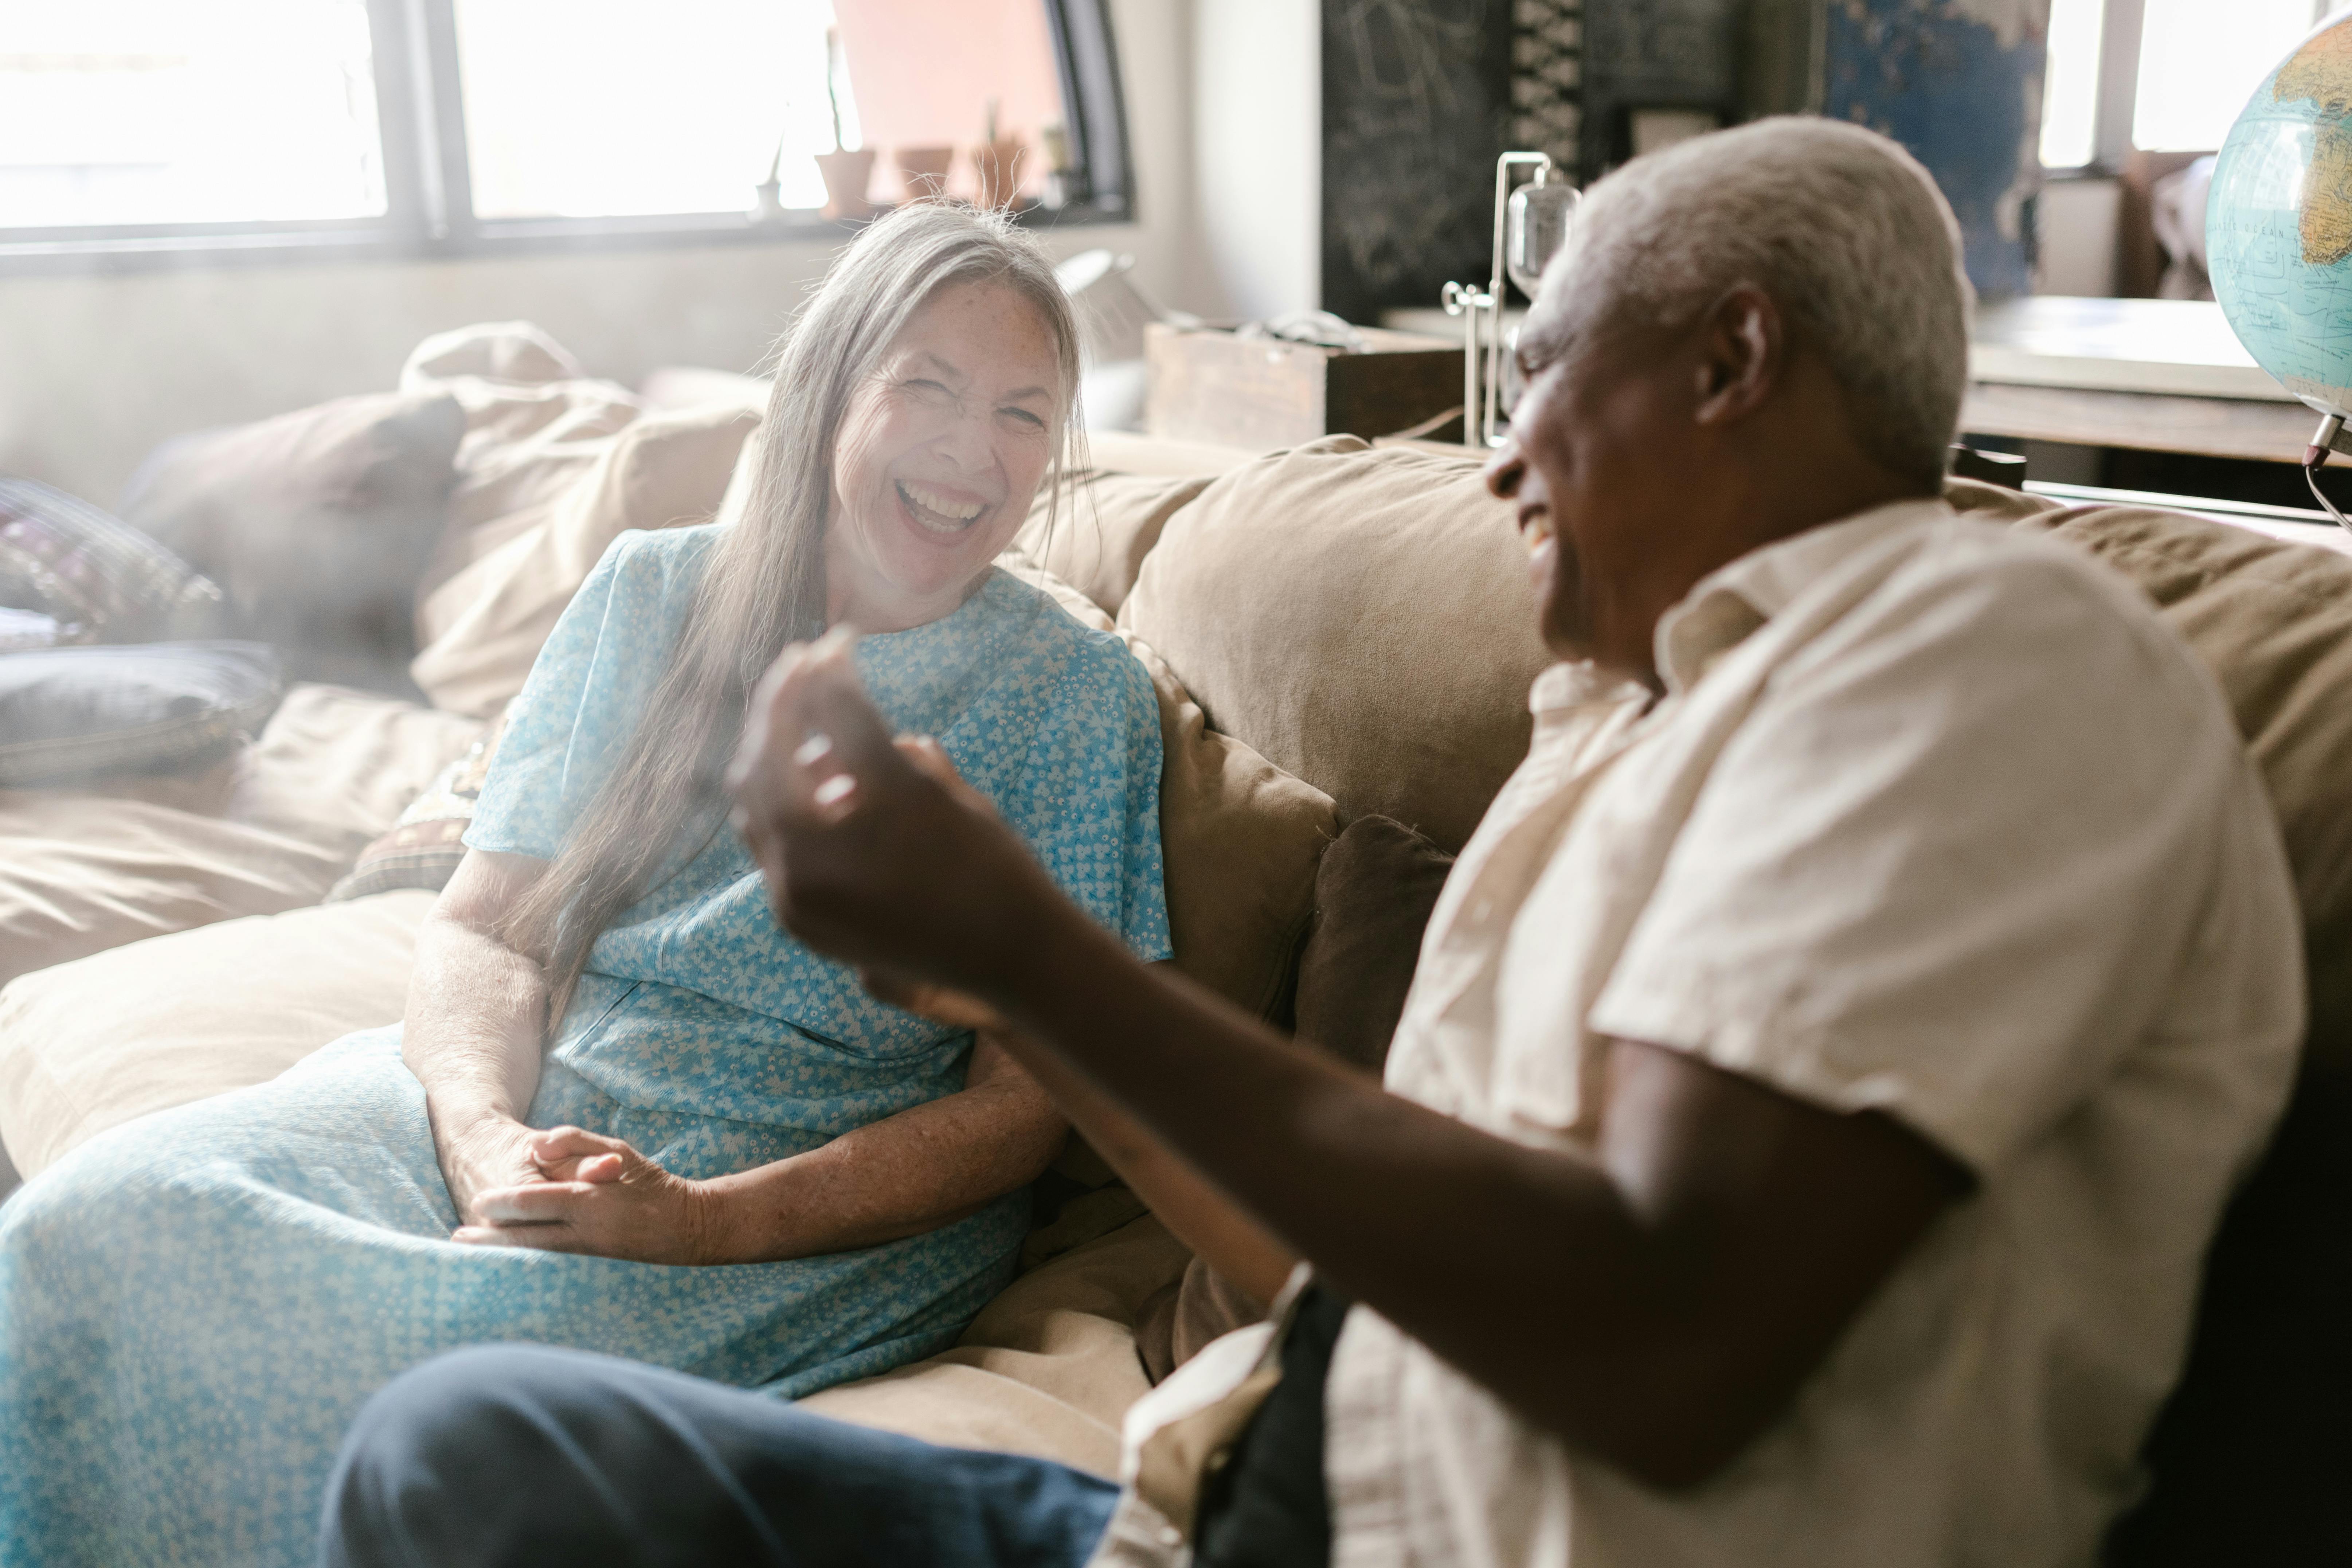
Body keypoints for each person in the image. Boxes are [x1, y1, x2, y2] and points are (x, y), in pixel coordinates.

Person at [320, 118, 2305, 1568]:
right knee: (471, 1453)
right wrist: (1001, 983)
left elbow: (1664, 1344)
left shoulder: (1985, 653)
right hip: (1230, 1482)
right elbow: (1323, 1269)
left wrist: (1033, 958)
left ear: (1728, 362)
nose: (1499, 459)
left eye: (1535, 378)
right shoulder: (1617, 727)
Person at [0, 203, 1173, 1568]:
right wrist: (485, 1137)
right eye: (927, 385)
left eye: (1025, 413)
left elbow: (1021, 1114)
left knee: (391, 1376)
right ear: (827, 389)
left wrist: (693, 1224)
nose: (977, 454)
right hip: (518, 1099)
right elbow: (491, 927)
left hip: (789, 1199)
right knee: (90, 1226)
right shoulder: (652, 594)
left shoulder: (1080, 702)